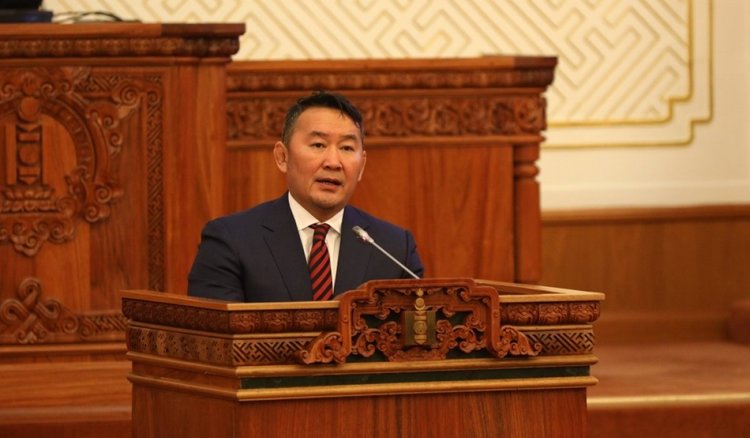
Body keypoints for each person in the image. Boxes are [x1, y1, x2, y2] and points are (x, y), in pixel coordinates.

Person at [187, 91, 424, 302]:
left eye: (346, 148)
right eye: (318, 145)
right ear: (282, 157)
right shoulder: (231, 241)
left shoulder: (394, 248)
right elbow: (215, 333)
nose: (333, 162)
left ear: (361, 166)